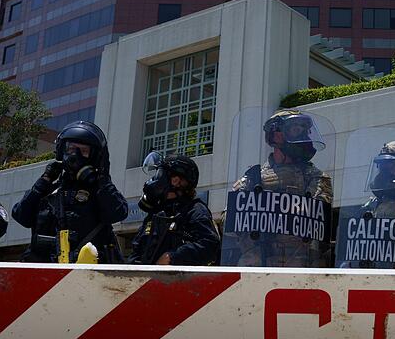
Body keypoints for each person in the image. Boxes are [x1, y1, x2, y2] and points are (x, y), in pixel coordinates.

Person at [12, 121, 128, 263]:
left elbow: (118, 213)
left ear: (94, 157)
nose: (75, 155)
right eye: (71, 148)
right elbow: (21, 216)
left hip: (88, 272)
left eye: (83, 151)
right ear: (62, 150)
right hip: (45, 272)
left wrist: (103, 179)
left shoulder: (100, 193)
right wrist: (43, 181)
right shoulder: (48, 191)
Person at [231, 109, 332, 267]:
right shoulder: (253, 177)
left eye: (305, 131)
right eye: (296, 130)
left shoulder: (315, 176)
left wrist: (265, 207)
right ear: (276, 136)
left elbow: (317, 216)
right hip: (256, 266)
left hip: (300, 265)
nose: (303, 137)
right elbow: (229, 220)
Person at [130, 153, 220, 265]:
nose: (155, 179)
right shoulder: (156, 213)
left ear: (176, 180)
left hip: (177, 276)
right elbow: (136, 252)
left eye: (160, 173)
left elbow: (210, 245)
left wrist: (172, 257)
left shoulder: (195, 210)